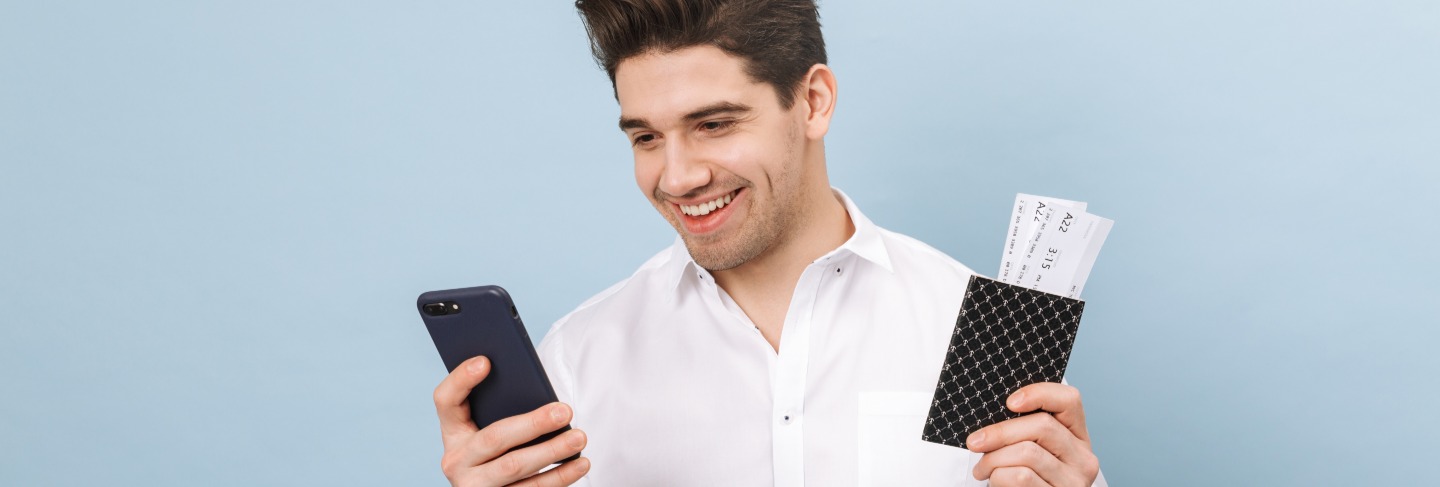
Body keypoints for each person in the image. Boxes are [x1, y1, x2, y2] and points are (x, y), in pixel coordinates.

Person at [432, 1, 1105, 485]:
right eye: (645, 137)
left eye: (714, 124)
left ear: (812, 102)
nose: (676, 175)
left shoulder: (979, 325)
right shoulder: (579, 360)